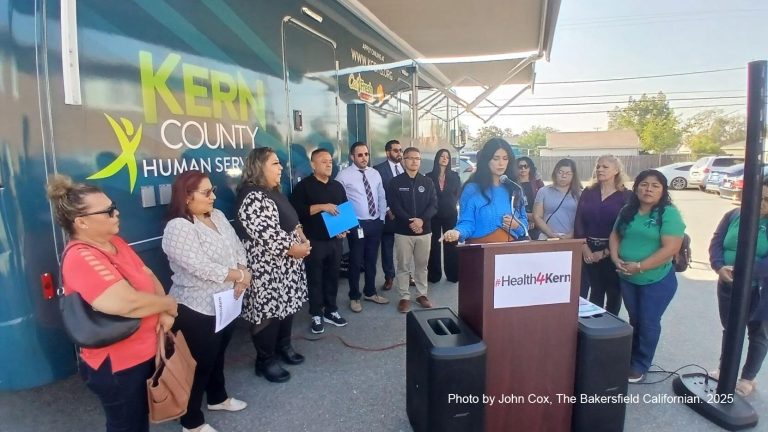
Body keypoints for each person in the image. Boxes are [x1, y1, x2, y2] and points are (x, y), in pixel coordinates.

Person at [47, 174, 177, 432]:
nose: (116, 213)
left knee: (140, 418)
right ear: (81, 222)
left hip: (145, 350)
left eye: (113, 206)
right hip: (118, 364)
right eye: (107, 211)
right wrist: (167, 305)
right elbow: (124, 303)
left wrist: (162, 307)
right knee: (127, 425)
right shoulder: (81, 257)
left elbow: (148, 275)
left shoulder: (115, 242)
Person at [162, 170, 250, 432]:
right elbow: (199, 266)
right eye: (206, 192)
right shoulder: (178, 227)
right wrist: (239, 275)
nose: (213, 196)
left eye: (213, 191)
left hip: (227, 301)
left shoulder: (218, 216)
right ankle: (191, 420)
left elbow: (237, 247)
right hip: (196, 307)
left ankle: (217, 398)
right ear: (186, 197)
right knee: (197, 364)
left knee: (218, 354)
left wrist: (244, 274)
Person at [234, 147, 309, 383]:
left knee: (285, 310)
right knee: (267, 315)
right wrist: (294, 248)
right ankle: (265, 360)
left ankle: (283, 348)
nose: (281, 168)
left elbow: (292, 221)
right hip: (267, 268)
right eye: (275, 164)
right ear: (259, 167)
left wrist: (302, 238)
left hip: (286, 268)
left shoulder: (273, 191)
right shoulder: (252, 196)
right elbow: (267, 233)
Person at [609, 169, 685, 383]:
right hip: (628, 278)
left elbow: (671, 248)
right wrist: (616, 258)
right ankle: (631, 358)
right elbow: (615, 235)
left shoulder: (668, 213)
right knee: (635, 320)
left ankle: (641, 365)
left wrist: (640, 266)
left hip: (656, 280)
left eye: (655, 185)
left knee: (648, 321)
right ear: (636, 188)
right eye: (643, 184)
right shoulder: (628, 210)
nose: (648, 189)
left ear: (663, 190)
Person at [708, 178, 768, 397]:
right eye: (757, 196)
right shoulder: (733, 215)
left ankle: (747, 378)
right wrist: (719, 266)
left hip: (760, 290)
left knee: (758, 333)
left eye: (767, 199)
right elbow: (716, 242)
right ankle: (726, 368)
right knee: (731, 328)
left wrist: (745, 272)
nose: (760, 202)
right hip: (728, 284)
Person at [290, 148, 349, 334]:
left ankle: (331, 310)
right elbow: (296, 212)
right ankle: (316, 313)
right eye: (323, 161)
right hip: (314, 241)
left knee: (333, 276)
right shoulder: (304, 187)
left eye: (330, 161)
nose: (329, 164)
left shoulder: (337, 186)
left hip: (334, 241)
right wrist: (322, 207)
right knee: (315, 278)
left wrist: (343, 229)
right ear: (313, 165)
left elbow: (344, 211)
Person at [335, 141, 390, 312]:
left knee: (371, 260)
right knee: (356, 261)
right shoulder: (343, 175)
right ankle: (354, 296)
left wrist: (381, 218)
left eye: (366, 154)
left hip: (375, 223)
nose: (364, 158)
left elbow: (381, 196)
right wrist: (345, 224)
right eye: (360, 155)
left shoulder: (375, 174)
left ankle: (370, 292)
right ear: (352, 157)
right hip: (356, 224)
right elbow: (338, 200)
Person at [574, 155, 631, 315]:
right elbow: (579, 220)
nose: (599, 169)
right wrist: (584, 247)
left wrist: (605, 252)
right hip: (588, 250)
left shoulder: (626, 195)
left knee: (613, 293)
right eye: (598, 166)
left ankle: (611, 331)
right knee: (595, 292)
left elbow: (626, 227)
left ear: (616, 170)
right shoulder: (588, 191)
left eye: (605, 167)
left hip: (613, 252)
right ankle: (594, 330)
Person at [442, 138, 528, 244]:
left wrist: (517, 226)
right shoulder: (472, 189)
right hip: (481, 251)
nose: (501, 163)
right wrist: (457, 232)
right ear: (486, 160)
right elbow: (467, 222)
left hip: (510, 252)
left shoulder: (514, 188)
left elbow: (524, 223)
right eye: (496, 158)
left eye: (505, 158)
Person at [387, 147, 438, 313]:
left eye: (417, 158)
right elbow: (395, 206)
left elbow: (433, 205)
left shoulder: (428, 182)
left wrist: (421, 220)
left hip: (425, 231)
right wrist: (411, 221)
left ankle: (422, 294)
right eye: (410, 158)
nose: (414, 161)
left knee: (422, 265)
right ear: (404, 160)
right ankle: (404, 297)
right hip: (403, 231)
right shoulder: (395, 183)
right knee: (403, 265)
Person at [426, 149, 461, 283]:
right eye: (442, 156)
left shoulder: (454, 176)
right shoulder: (429, 176)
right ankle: (434, 275)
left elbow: (457, 194)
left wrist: (451, 203)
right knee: (434, 245)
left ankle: (452, 275)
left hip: (450, 214)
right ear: (437, 158)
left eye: (447, 157)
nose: (445, 159)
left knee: (451, 244)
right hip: (433, 215)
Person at [373, 139, 403, 291]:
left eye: (400, 150)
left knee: (407, 247)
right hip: (388, 215)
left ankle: (407, 275)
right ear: (388, 152)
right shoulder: (378, 170)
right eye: (396, 150)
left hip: (405, 216)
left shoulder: (406, 166)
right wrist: (387, 209)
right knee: (387, 247)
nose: (400, 153)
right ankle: (389, 277)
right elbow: (377, 193)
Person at [533, 158, 581, 240]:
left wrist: (571, 235)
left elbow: (582, 219)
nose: (564, 176)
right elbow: (537, 216)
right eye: (560, 172)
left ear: (573, 175)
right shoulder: (543, 191)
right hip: (547, 238)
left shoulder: (580, 194)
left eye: (568, 173)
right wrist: (550, 233)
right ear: (555, 173)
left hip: (571, 239)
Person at [516, 156, 545, 238]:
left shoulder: (537, 182)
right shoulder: (512, 183)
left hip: (537, 221)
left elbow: (544, 202)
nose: (523, 169)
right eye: (520, 167)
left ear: (530, 167)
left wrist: (536, 219)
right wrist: (527, 217)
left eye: (526, 166)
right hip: (519, 221)